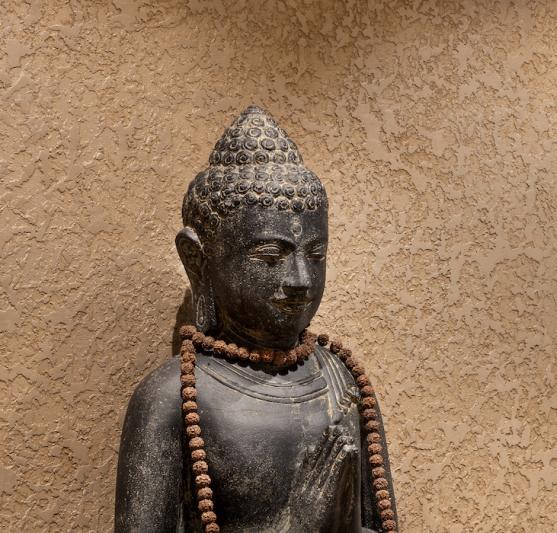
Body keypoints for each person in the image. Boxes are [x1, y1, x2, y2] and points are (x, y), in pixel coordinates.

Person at [114, 106, 397, 533]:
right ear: (198, 259)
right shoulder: (173, 396)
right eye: (270, 256)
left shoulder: (344, 380)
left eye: (316, 255)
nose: (300, 280)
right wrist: (299, 527)